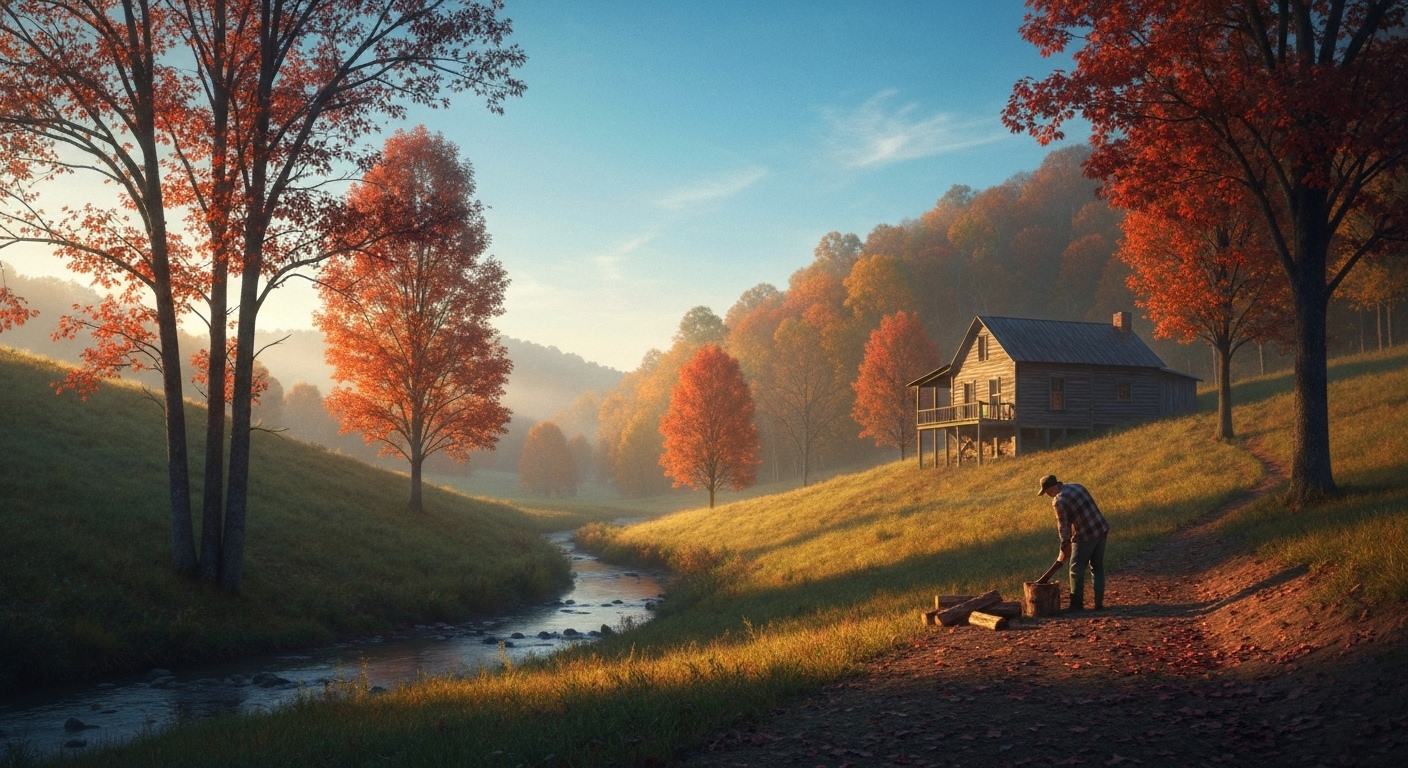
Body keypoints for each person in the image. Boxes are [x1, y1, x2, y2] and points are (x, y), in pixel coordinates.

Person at [1037, 474, 1109, 611]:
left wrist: (1064, 547)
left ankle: (1076, 605)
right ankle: (1099, 603)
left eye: (1046, 492)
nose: (1047, 495)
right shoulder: (1077, 486)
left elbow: (1063, 527)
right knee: (1097, 567)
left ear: (1050, 489)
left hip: (1085, 536)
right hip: (1101, 528)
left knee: (1076, 570)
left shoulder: (1059, 501)